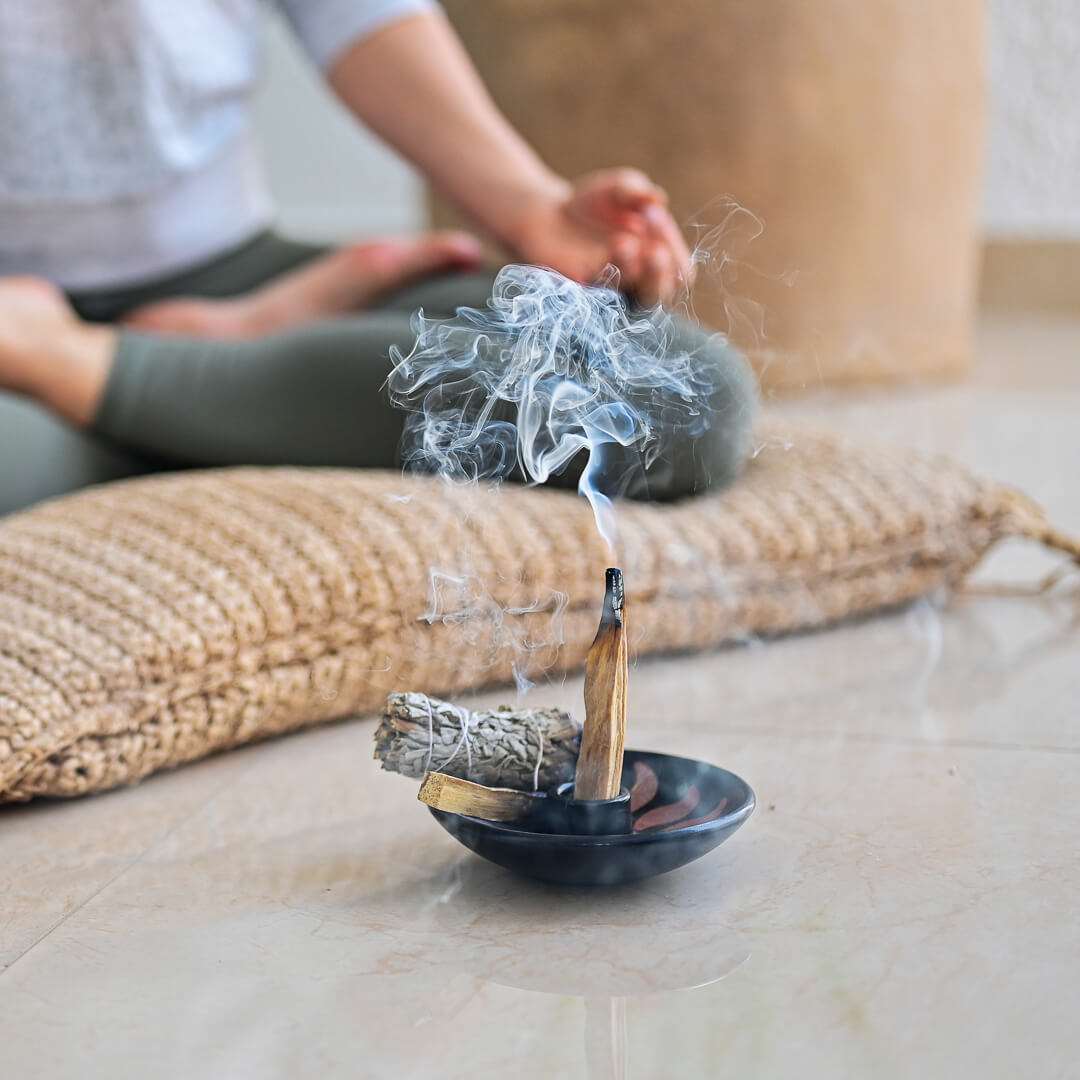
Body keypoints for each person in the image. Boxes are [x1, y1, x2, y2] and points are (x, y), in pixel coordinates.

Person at [0, 2, 757, 517]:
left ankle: (104, 377)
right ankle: (187, 400)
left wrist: (525, 204)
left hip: (243, 277)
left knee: (686, 402)